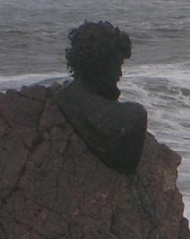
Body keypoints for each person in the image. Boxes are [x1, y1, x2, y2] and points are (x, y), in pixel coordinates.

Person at [56, 21, 148, 174]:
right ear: (98, 66)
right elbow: (127, 165)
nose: (120, 73)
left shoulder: (64, 95)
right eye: (116, 65)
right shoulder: (135, 116)